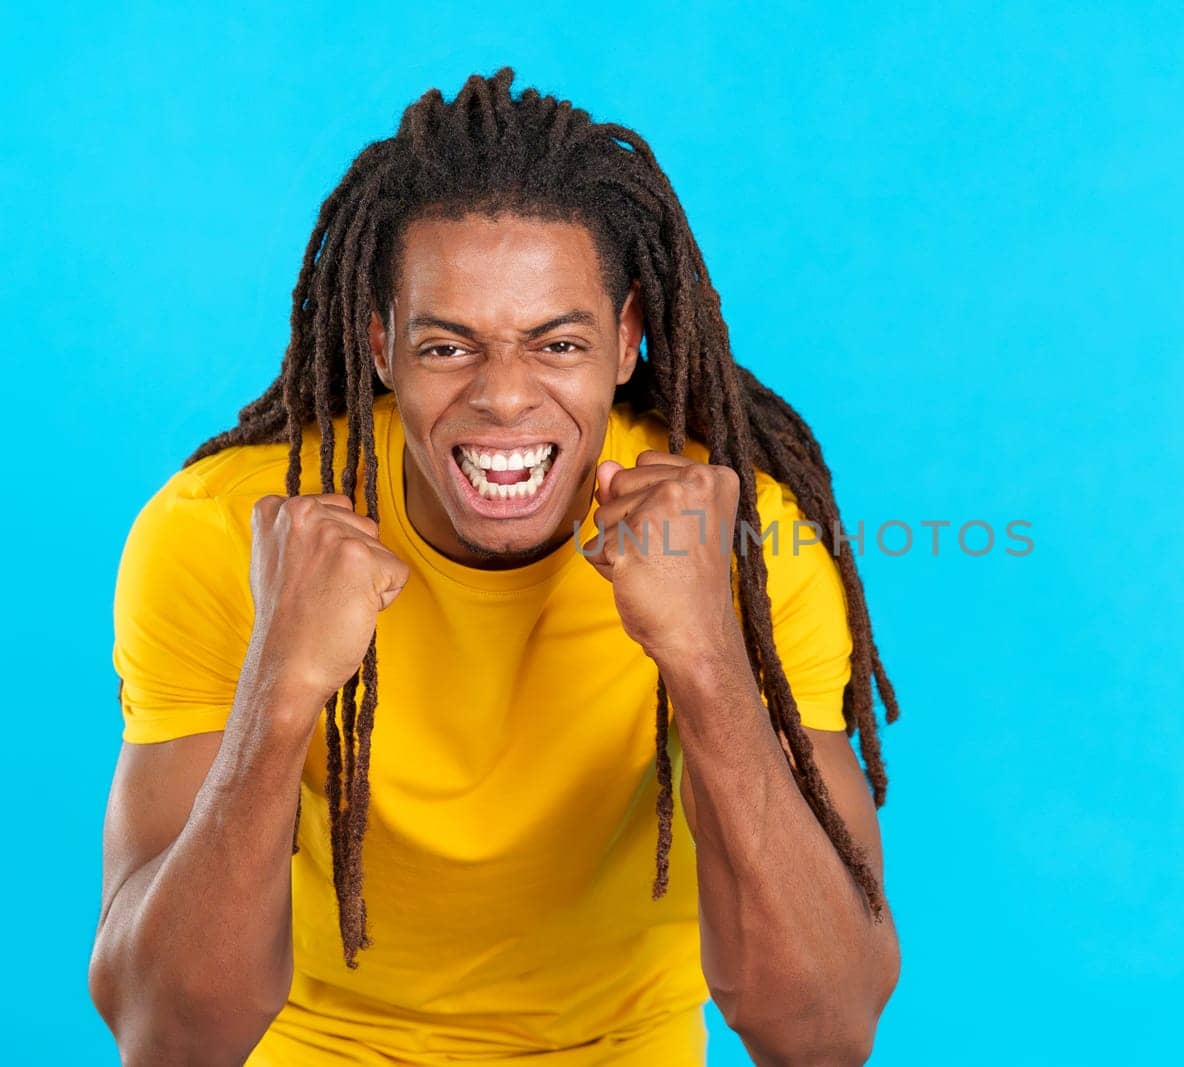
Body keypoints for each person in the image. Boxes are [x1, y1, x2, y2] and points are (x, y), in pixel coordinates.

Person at [89, 68, 901, 1066]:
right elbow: (165, 1036)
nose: (505, 398)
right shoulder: (228, 532)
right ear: (381, 344)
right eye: (448, 348)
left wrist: (707, 661)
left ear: (627, 338)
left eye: (556, 343)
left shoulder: (740, 541)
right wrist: (280, 690)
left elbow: (822, 1034)